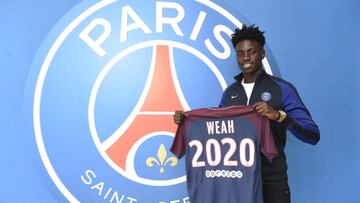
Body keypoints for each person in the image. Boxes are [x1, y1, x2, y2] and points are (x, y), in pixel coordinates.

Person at [173, 24, 320, 203]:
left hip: (272, 184)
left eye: (252, 52)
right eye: (240, 53)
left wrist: (279, 116)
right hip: (237, 183)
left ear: (262, 53)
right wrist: (188, 122)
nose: (246, 58)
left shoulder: (282, 89)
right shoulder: (230, 93)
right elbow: (218, 132)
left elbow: (313, 135)